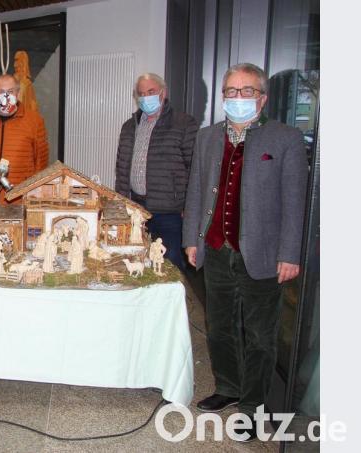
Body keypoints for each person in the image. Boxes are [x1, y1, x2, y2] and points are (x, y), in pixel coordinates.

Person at [182, 63, 308, 441]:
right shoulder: (206, 137)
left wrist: (290, 253)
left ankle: (253, 407)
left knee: (259, 336)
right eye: (230, 92)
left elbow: (295, 202)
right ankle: (228, 387)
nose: (237, 98)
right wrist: (193, 238)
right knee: (219, 328)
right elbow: (195, 191)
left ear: (262, 97)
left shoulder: (285, 139)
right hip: (217, 248)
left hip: (264, 254)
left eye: (246, 91)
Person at [115, 73, 199, 270]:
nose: (146, 97)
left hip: (170, 212)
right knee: (139, 260)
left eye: (151, 92)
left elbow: (195, 169)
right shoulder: (129, 127)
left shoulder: (184, 124)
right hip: (136, 209)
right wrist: (121, 204)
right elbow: (121, 168)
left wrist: (189, 206)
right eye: (141, 94)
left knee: (169, 265)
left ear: (163, 93)